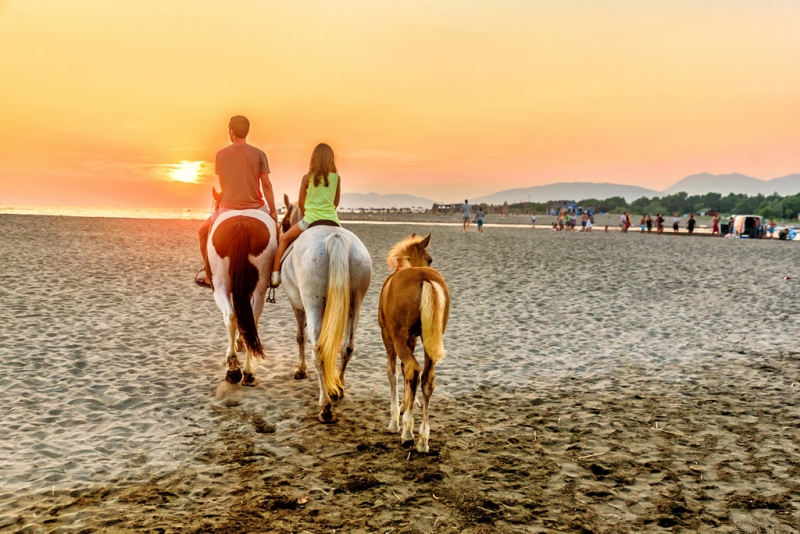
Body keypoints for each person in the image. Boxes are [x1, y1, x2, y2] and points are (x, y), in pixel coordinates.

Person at [196, 116, 277, 289]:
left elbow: (224, 186)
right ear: (246, 131)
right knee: (277, 234)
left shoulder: (221, 155)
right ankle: (272, 273)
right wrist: (273, 211)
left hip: (228, 208)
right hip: (257, 207)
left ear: (231, 131)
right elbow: (267, 185)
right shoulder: (259, 154)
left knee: (203, 233)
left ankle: (209, 275)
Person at [270, 143, 341, 287]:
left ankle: (275, 276)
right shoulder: (336, 178)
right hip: (333, 221)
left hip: (311, 220)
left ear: (313, 159)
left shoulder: (307, 178)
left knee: (283, 239)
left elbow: (301, 203)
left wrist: (309, 214)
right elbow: (335, 203)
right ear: (331, 159)